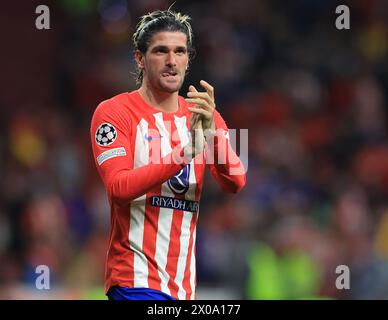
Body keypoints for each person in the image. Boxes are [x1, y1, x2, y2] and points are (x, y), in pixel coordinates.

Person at [90, 8, 246, 300]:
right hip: (133, 281)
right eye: (161, 51)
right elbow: (118, 188)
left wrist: (212, 136)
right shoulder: (114, 113)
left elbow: (236, 181)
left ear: (189, 58)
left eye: (180, 51)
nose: (172, 61)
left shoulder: (203, 113)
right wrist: (184, 153)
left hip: (183, 289)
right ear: (140, 58)